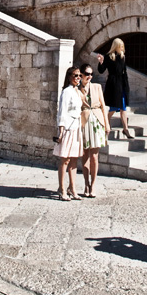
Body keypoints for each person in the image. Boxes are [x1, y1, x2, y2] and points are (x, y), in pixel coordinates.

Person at [78, 62, 110, 198]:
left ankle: (93, 184)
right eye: (87, 74)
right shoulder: (77, 89)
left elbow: (103, 105)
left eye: (91, 74)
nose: (90, 76)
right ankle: (86, 183)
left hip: (97, 122)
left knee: (95, 156)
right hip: (84, 122)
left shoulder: (97, 87)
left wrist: (106, 124)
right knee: (85, 155)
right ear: (81, 75)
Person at [53, 66, 84, 200]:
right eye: (75, 75)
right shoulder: (66, 92)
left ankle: (72, 188)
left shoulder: (77, 91)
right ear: (69, 77)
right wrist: (61, 131)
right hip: (67, 128)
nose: (78, 78)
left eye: (79, 75)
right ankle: (61, 188)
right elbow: (62, 111)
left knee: (74, 159)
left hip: (76, 127)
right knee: (65, 159)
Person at [97, 38, 133, 139]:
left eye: (122, 46)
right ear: (116, 46)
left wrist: (126, 86)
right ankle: (106, 123)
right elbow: (101, 70)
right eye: (120, 46)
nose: (122, 48)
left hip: (122, 83)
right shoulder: (108, 57)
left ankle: (125, 129)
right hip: (113, 84)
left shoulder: (122, 56)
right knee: (114, 107)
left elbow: (124, 71)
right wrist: (101, 62)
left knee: (123, 107)